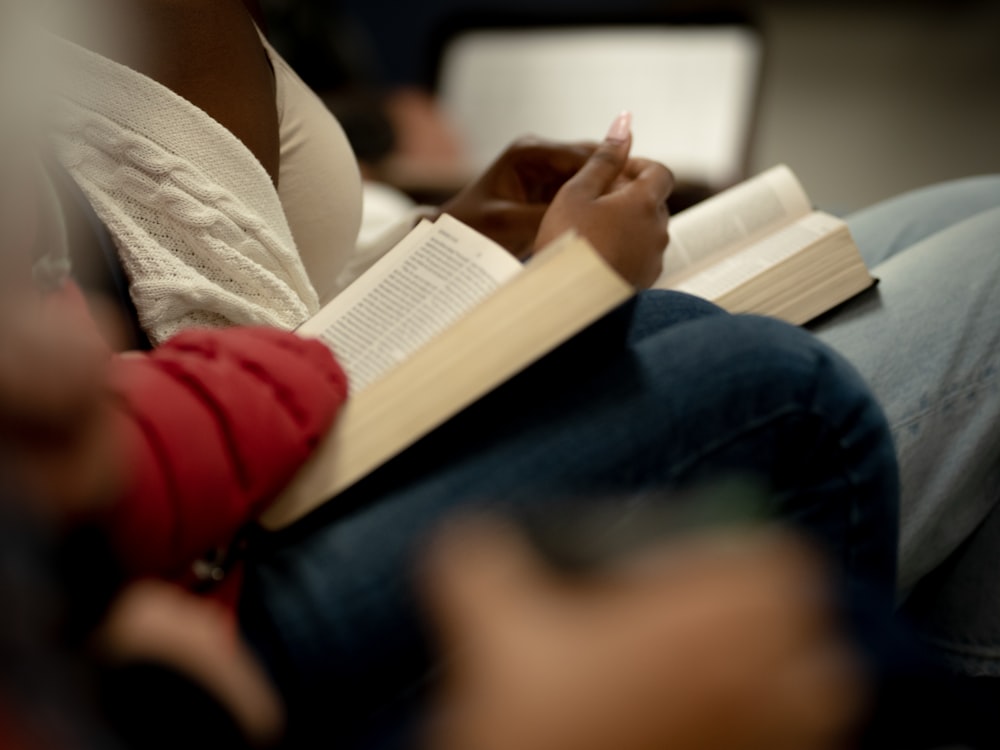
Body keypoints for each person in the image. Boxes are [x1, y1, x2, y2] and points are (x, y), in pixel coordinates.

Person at [33, 0, 999, 743]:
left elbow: (249, 294)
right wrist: (552, 291)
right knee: (784, 381)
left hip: (241, 456)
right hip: (210, 558)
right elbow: (116, 402)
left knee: (968, 211)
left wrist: (452, 238)